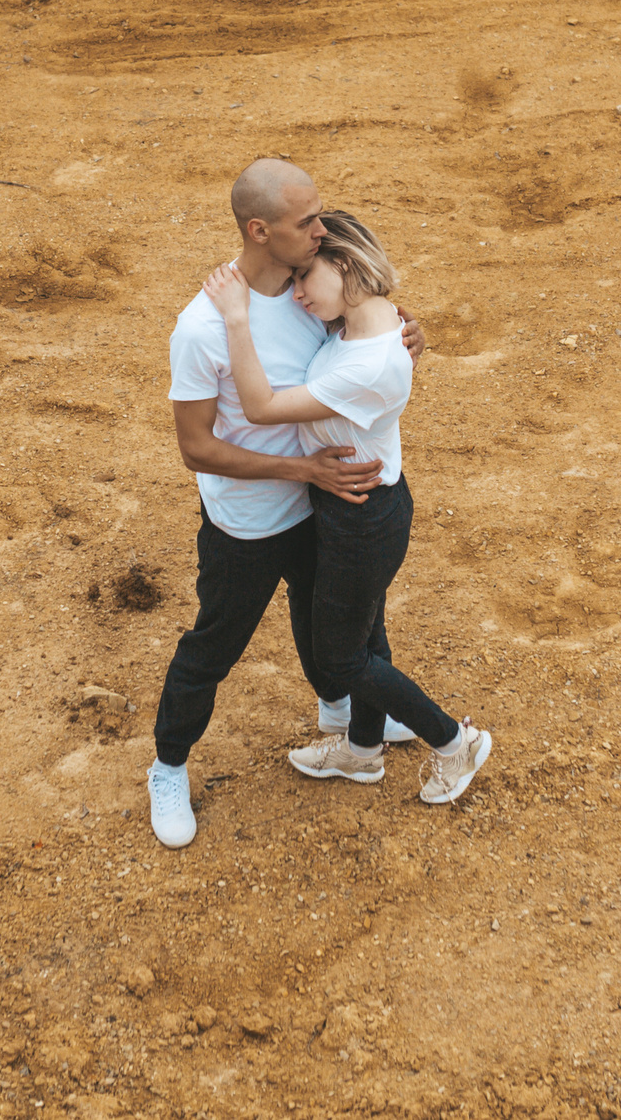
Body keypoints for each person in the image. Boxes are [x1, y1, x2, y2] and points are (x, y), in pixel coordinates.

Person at [149, 159, 423, 849]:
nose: (322, 229)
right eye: (307, 221)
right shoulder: (203, 327)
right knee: (213, 647)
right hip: (248, 522)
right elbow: (196, 447)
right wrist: (299, 466)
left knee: (351, 624)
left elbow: (363, 341)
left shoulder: (312, 291)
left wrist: (406, 335)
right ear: (260, 229)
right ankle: (169, 764)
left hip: (324, 504)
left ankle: (356, 718)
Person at [201, 210, 491, 807]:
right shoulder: (358, 325)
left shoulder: (368, 357)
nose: (299, 291)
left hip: (363, 515)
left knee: (340, 656)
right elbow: (386, 319)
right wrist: (414, 327)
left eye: (307, 275)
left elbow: (258, 406)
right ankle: (362, 751)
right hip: (353, 505)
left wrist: (236, 315)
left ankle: (452, 742)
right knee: (367, 635)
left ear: (344, 264)